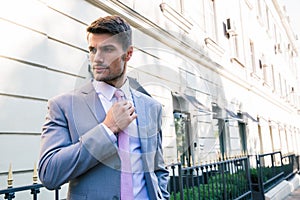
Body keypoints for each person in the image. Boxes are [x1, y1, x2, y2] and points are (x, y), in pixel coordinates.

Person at [38, 15, 170, 200]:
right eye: (92, 50)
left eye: (107, 49)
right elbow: (49, 174)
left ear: (128, 54)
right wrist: (107, 129)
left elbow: (158, 169)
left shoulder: (152, 107)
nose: (97, 59)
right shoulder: (63, 106)